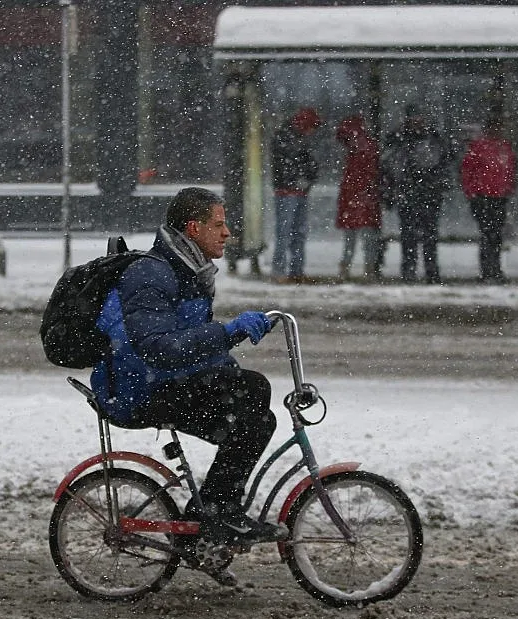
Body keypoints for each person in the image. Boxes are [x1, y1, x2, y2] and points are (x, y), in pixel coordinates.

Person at [90, 187, 287, 574]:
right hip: (137, 390)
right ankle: (215, 512)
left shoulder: (188, 270)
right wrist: (228, 332)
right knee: (252, 393)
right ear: (193, 228)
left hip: (162, 381)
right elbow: (159, 348)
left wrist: (223, 358)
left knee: (257, 414)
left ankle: (207, 520)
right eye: (219, 224)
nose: (228, 232)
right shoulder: (152, 273)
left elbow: (188, 342)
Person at [381, 105, 451, 284]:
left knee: (429, 235)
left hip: (428, 193)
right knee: (409, 235)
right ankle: (409, 271)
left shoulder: (433, 139)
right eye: (415, 117)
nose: (418, 121)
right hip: (409, 193)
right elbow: (389, 166)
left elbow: (443, 163)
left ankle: (430, 271)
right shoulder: (399, 139)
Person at [461, 118, 516, 284]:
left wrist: (508, 189)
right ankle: (488, 270)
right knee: (488, 234)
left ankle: (494, 269)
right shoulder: (480, 147)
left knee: (495, 235)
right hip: (484, 196)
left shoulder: (503, 147)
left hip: (498, 197)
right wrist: (472, 193)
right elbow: (467, 170)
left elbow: (509, 171)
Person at [270, 106, 321, 283]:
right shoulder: (289, 139)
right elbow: (296, 163)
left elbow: (290, 164)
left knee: (293, 232)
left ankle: (290, 270)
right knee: (291, 232)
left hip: (292, 190)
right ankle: (287, 270)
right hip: (290, 191)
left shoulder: (286, 137)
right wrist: (304, 178)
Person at [334, 115, 381, 281]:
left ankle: (346, 268)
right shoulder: (367, 146)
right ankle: (369, 269)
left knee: (351, 238)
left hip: (354, 198)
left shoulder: (352, 149)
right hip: (364, 198)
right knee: (366, 237)